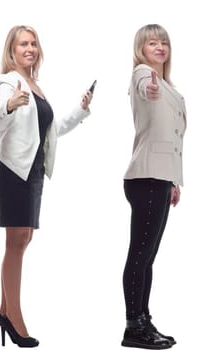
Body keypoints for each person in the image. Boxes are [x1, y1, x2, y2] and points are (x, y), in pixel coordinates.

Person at [0, 25, 93, 348]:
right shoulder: (7, 81)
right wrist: (9, 105)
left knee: (24, 239)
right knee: (16, 242)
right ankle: (14, 319)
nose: (30, 48)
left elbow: (49, 131)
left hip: (34, 171)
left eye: (33, 43)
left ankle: (4, 311)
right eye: (23, 44)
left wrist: (81, 109)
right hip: (12, 171)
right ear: (12, 50)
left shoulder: (37, 86)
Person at [119, 24, 184, 350]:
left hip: (160, 178)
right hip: (145, 177)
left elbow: (172, 140)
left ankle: (143, 319)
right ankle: (134, 326)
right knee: (140, 255)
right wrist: (150, 89)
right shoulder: (143, 74)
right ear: (141, 49)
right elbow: (146, 87)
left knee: (148, 258)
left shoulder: (170, 87)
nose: (160, 47)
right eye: (152, 43)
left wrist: (175, 180)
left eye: (164, 43)